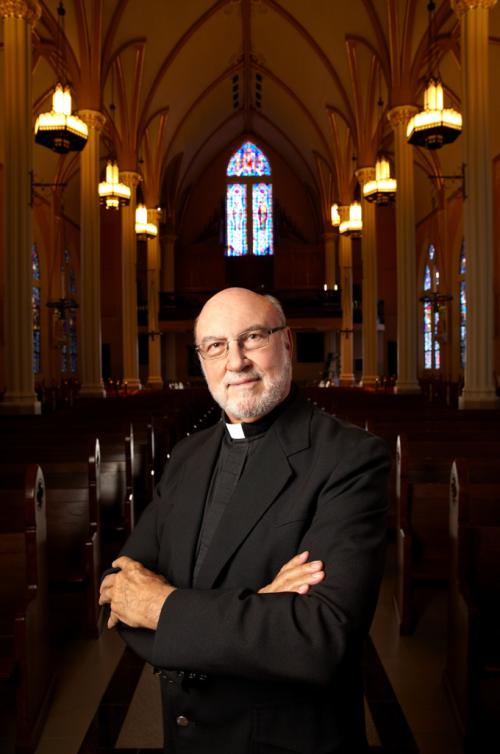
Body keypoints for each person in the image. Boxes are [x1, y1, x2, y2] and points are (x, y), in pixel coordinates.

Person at [99, 287, 391, 754]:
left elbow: (318, 637)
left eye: (252, 337)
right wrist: (260, 606)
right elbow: (117, 595)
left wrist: (162, 610)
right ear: (202, 359)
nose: (235, 361)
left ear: (287, 343)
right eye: (215, 345)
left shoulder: (349, 458)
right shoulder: (187, 457)